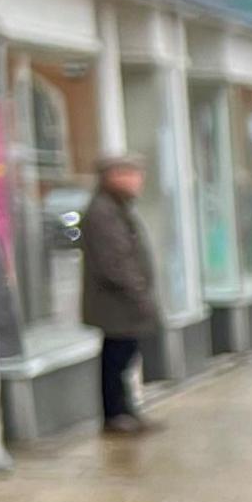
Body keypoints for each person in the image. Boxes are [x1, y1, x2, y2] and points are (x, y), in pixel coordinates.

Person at [75, 155, 157, 435]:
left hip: (124, 303)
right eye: (131, 174)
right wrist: (138, 292)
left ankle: (125, 410)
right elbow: (115, 262)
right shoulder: (103, 212)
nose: (138, 181)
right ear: (113, 176)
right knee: (116, 358)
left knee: (125, 356)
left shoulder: (117, 208)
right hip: (116, 303)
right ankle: (115, 414)